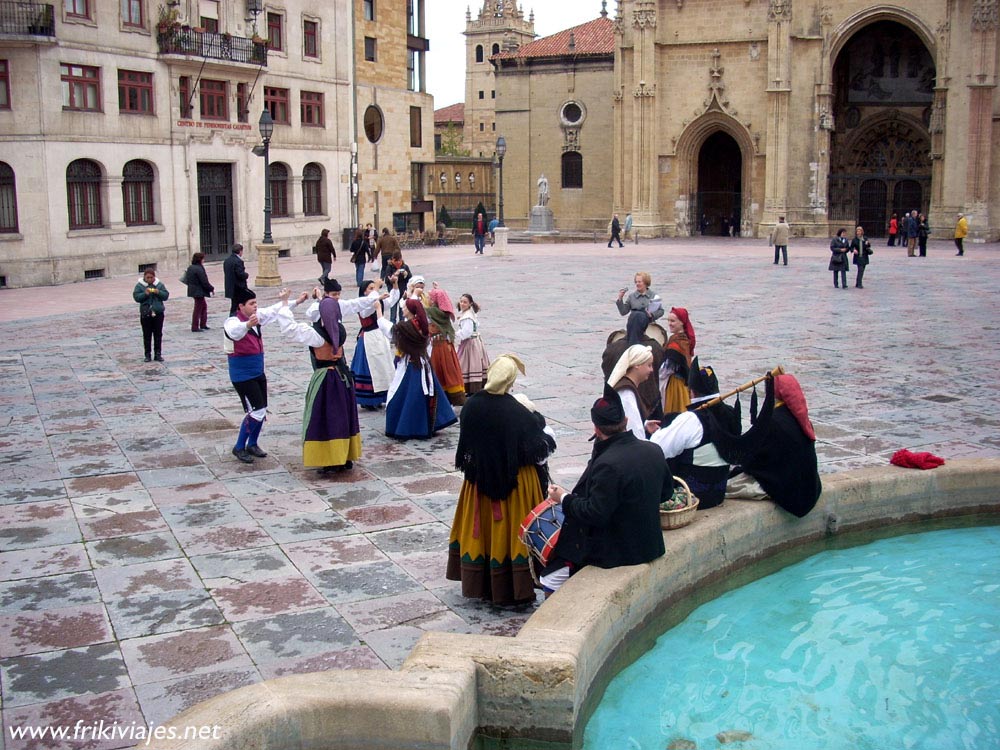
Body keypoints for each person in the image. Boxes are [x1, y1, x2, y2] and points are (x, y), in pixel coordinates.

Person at [539, 384, 671, 596]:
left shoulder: (607, 464)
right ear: (625, 422)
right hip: (650, 544)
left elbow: (595, 513)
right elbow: (666, 493)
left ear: (596, 429)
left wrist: (563, 497)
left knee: (549, 577)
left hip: (618, 552)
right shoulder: (654, 450)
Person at [447, 354, 557, 605]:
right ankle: (512, 587)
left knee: (485, 531)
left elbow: (469, 448)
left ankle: (483, 583)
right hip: (516, 486)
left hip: (478, 482)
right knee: (509, 533)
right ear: (509, 381)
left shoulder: (471, 406)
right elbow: (540, 451)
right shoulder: (517, 412)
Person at [275, 280, 382, 474]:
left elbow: (290, 329)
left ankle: (332, 459)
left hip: (325, 380)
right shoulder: (338, 330)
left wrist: (284, 304)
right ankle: (345, 457)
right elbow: (355, 304)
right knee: (343, 416)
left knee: (326, 418)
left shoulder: (316, 334)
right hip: (343, 378)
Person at [648, 360, 744, 510]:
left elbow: (657, 448)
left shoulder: (691, 419)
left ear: (691, 391)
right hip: (719, 492)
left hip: (690, 496)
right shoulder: (731, 413)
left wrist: (655, 433)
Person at [726, 373, 821, 518]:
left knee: (727, 486)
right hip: (809, 486)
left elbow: (753, 460)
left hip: (789, 488)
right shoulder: (800, 418)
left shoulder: (773, 421)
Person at [224, 287, 291, 463]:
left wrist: (291, 301)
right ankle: (239, 446)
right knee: (257, 410)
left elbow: (272, 311)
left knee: (262, 409)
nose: (255, 306)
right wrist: (247, 325)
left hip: (257, 371)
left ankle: (252, 443)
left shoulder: (256, 317)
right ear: (241, 306)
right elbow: (235, 332)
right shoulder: (232, 321)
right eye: (251, 303)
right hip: (242, 375)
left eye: (256, 303)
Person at [374, 297, 457, 439]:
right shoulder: (421, 324)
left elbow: (390, 331)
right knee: (423, 395)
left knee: (404, 397)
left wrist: (379, 312)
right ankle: (428, 424)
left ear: (411, 311)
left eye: (405, 308)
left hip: (412, 367)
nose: (402, 309)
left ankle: (409, 427)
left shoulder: (408, 327)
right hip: (423, 364)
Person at [350, 280, 395, 410]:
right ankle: (368, 399)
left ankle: (382, 396)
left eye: (373, 288)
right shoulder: (363, 305)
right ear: (364, 292)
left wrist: (395, 286)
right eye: (370, 288)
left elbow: (391, 301)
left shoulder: (376, 301)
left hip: (379, 337)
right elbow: (366, 312)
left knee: (383, 366)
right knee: (371, 367)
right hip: (369, 338)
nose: (373, 290)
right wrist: (376, 291)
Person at [426, 287, 467, 407]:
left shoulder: (432, 312)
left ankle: (443, 397)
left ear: (434, 300)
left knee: (441, 371)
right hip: (445, 346)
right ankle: (454, 397)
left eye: (429, 297)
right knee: (449, 371)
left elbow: (418, 309)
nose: (427, 299)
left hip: (439, 348)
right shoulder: (442, 312)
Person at [606, 345, 655, 440]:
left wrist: (644, 424)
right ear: (637, 365)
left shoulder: (628, 387)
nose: (651, 370)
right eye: (649, 365)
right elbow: (634, 431)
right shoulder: (626, 393)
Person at [455, 293, 491, 395]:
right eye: (461, 301)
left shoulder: (467, 317)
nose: (462, 304)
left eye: (465, 302)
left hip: (470, 343)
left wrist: (454, 334)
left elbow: (467, 332)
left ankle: (469, 387)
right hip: (475, 342)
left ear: (470, 303)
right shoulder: (470, 313)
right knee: (472, 363)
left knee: (467, 363)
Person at [660, 307, 695, 414]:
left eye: (673, 321)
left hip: (675, 385)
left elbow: (667, 369)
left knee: (673, 411)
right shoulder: (684, 339)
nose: (670, 323)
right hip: (683, 385)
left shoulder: (677, 342)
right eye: (668, 320)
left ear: (681, 323)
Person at [615, 271, 664, 344]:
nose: (637, 284)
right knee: (636, 315)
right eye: (636, 282)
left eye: (639, 282)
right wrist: (620, 299)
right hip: (633, 323)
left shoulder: (653, 295)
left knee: (640, 315)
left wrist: (652, 315)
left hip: (649, 324)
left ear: (646, 283)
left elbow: (661, 311)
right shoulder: (632, 296)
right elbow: (623, 312)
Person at [133, 268, 169, 363]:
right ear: (144, 277)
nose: (149, 279)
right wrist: (145, 294)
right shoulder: (140, 286)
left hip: (158, 313)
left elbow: (166, 296)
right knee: (147, 334)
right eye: (147, 277)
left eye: (151, 277)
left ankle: (158, 354)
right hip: (146, 313)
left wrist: (158, 292)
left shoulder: (159, 285)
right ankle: (147, 354)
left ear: (154, 277)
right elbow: (136, 297)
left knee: (158, 334)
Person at [184, 252, 214, 332]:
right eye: (203, 259)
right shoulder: (199, 268)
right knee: (198, 309)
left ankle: (203, 324)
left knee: (203, 307)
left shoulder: (191, 267)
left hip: (193, 290)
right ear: (200, 259)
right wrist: (211, 288)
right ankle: (195, 326)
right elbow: (204, 281)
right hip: (198, 291)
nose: (204, 260)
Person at [223, 243, 250, 315]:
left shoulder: (227, 260)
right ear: (240, 251)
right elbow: (240, 274)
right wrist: (246, 275)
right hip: (238, 287)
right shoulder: (238, 261)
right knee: (238, 305)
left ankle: (235, 318)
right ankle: (235, 319)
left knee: (234, 304)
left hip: (230, 287)